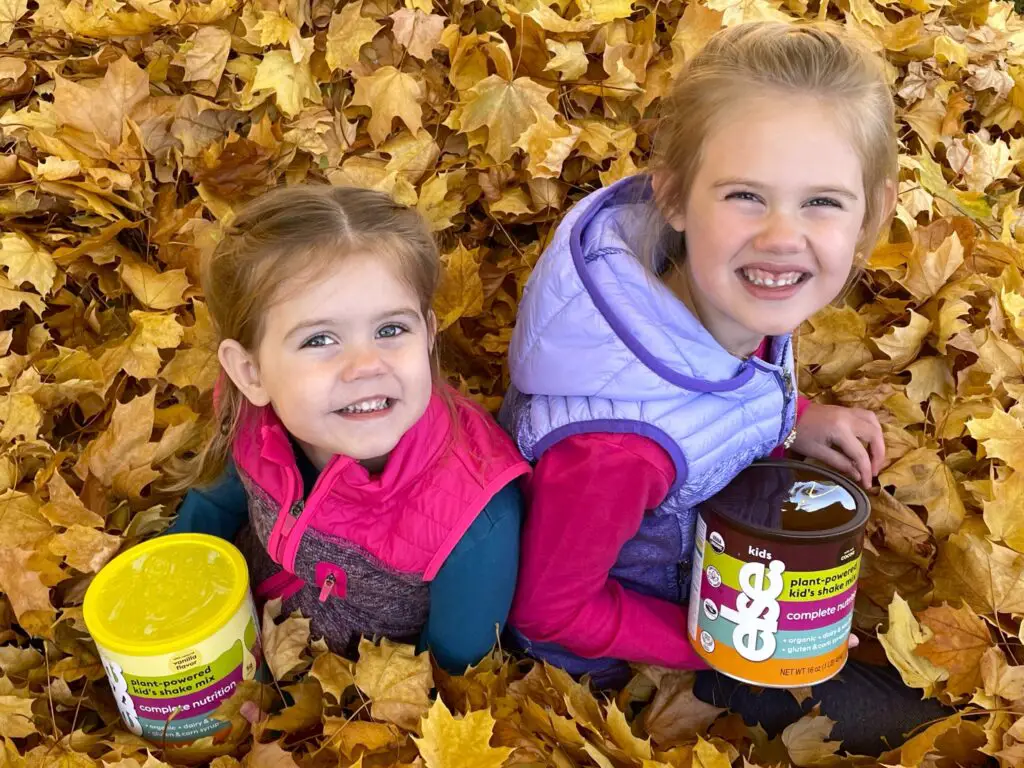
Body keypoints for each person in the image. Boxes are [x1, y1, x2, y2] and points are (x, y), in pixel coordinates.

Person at [500, 21, 949, 754]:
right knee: (921, 716)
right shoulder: (617, 447)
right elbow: (548, 612)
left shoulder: (724, 295)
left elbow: (709, 390)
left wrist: (795, 415)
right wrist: (713, 645)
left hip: (703, 569)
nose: (781, 235)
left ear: (874, 213)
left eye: (822, 203)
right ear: (674, 196)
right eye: (745, 194)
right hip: (626, 655)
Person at [166, 186, 529, 673]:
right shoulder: (259, 424)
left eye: (390, 330)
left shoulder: (473, 521)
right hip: (237, 628)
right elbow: (215, 503)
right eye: (320, 339)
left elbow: (444, 673)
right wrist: (171, 588)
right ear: (252, 373)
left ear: (427, 333)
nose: (365, 365)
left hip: (347, 703)